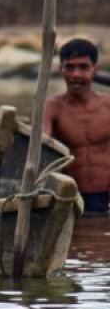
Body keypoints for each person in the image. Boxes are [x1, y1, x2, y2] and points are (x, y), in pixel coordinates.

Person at [43, 38, 110, 215]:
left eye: (83, 67)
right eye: (70, 67)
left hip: (104, 197)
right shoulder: (52, 108)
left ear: (94, 69)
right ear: (61, 70)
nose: (76, 74)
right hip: (68, 197)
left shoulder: (108, 105)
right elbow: (40, 152)